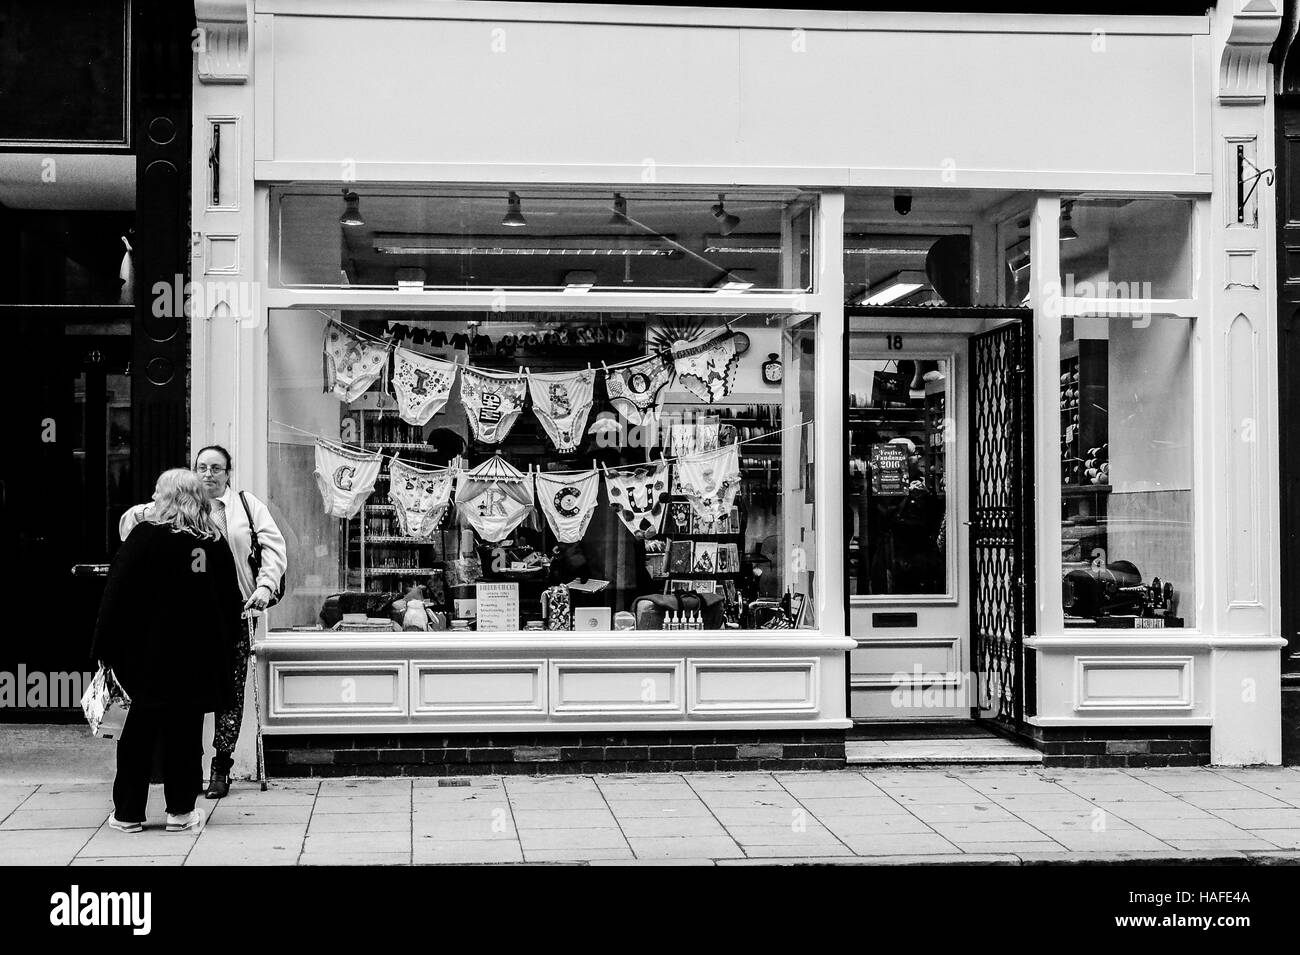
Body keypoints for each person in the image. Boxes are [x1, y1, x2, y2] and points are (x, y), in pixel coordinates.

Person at [119, 445, 288, 798]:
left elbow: (273, 547)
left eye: (216, 468)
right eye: (202, 467)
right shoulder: (178, 506)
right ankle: (184, 768)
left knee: (230, 691)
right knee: (185, 693)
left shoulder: (244, 506)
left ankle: (221, 767)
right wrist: (148, 507)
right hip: (185, 620)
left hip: (235, 612)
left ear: (229, 472)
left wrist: (265, 586)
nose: (208, 474)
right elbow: (131, 527)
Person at [92, 469, 244, 833]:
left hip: (142, 657)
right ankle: (180, 811)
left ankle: (128, 813)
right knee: (185, 735)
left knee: (136, 736)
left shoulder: (144, 537)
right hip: (195, 659)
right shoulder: (211, 541)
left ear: (165, 497)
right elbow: (229, 602)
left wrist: (103, 648)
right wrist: (225, 646)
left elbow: (115, 595)